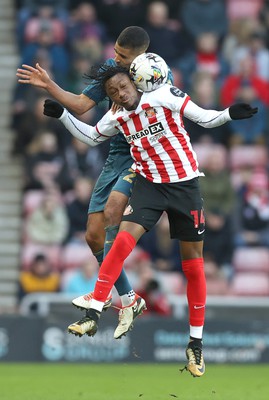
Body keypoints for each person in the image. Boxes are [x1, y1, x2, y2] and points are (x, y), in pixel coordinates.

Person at [43, 63, 257, 377]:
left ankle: (195, 343)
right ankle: (95, 309)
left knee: (193, 264)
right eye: (112, 92)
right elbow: (90, 137)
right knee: (120, 243)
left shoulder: (164, 94)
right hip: (149, 186)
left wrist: (228, 114)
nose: (119, 93)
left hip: (185, 186)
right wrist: (63, 115)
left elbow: (204, 117)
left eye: (122, 86)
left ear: (134, 81)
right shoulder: (117, 115)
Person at [16, 26, 157, 323]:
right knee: (93, 236)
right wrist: (49, 85)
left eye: (122, 55)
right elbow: (82, 105)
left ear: (139, 56)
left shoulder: (156, 71)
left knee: (113, 215)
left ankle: (100, 297)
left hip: (146, 152)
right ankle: (129, 299)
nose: (115, 57)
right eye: (115, 51)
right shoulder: (110, 68)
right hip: (118, 152)